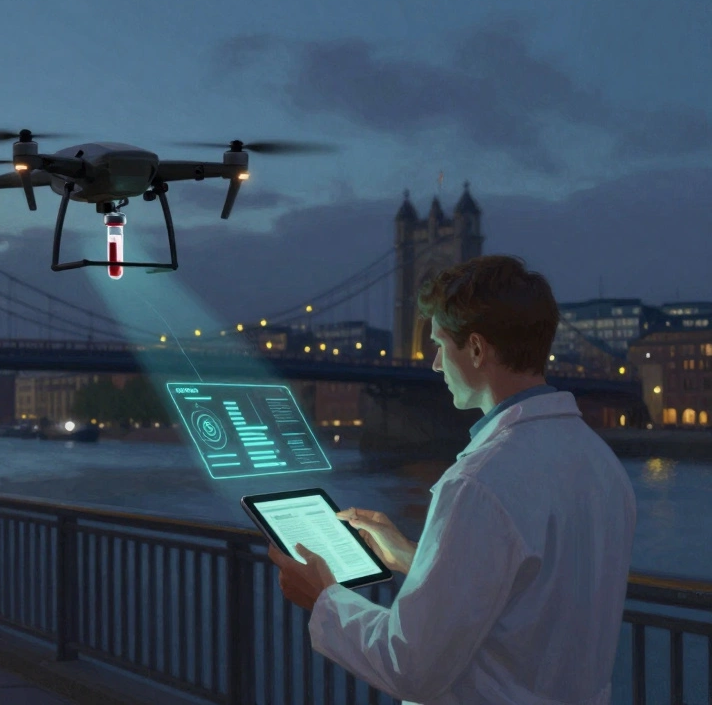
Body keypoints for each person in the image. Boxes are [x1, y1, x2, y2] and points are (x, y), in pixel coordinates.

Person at [266, 255, 636, 704]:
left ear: (477, 350)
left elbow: (411, 666)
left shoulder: (479, 482)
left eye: (441, 345)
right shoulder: (600, 463)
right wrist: (415, 557)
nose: (436, 364)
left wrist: (324, 599)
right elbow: (530, 589)